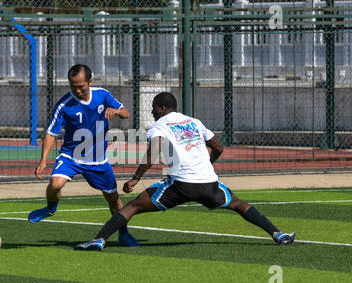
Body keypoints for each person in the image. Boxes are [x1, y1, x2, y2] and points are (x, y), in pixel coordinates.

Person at [75, 92, 295, 251]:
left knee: (132, 206)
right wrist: (208, 165)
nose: (152, 112)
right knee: (239, 205)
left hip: (180, 185)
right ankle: (278, 233)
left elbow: (154, 153)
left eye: (153, 108)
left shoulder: (159, 125)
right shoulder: (194, 122)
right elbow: (219, 147)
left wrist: (135, 178)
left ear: (161, 108)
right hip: (209, 183)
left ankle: (99, 240)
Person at [29, 64, 140, 246]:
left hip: (98, 159)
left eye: (81, 86)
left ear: (90, 81)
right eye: (73, 86)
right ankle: (50, 208)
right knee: (55, 184)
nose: (77, 90)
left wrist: (118, 111)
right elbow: (51, 133)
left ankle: (124, 233)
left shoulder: (102, 95)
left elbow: (126, 113)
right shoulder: (64, 105)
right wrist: (43, 160)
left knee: (113, 198)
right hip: (71, 156)